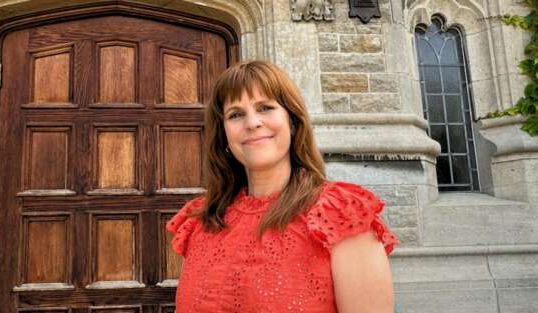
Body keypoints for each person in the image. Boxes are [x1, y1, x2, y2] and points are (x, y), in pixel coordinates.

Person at [165, 60, 399, 313]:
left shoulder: (341, 216)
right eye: (236, 114)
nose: (252, 123)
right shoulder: (204, 221)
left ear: (293, 121)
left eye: (265, 108)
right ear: (224, 135)